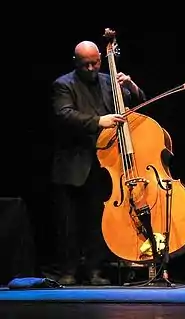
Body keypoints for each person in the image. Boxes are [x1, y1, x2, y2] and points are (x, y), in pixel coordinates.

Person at [48, 39, 146, 286]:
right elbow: (64, 114)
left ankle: (94, 270)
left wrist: (132, 87)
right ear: (76, 63)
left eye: (95, 63)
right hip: (73, 163)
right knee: (69, 222)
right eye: (85, 65)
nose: (91, 69)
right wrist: (98, 121)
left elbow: (135, 107)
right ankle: (68, 271)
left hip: (106, 163)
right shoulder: (63, 84)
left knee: (97, 220)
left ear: (101, 60)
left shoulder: (108, 81)